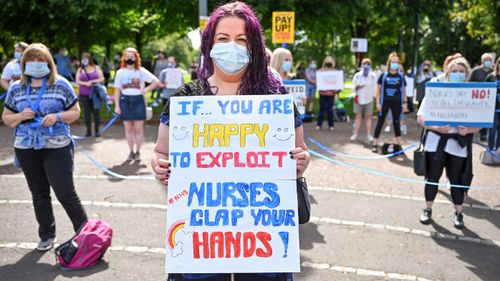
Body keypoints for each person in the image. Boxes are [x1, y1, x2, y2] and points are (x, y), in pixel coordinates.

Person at [150, 2, 310, 280]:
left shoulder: (275, 101)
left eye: (242, 40)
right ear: (209, 44)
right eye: (223, 39)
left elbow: (301, 152)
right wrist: (160, 166)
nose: (232, 46)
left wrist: (301, 161)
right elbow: (160, 151)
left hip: (263, 245)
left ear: (254, 47)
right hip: (201, 245)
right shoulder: (186, 98)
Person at [1, 43, 88, 251]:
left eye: (41, 60)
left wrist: (57, 116)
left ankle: (86, 235)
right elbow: (7, 118)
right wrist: (20, 116)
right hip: (26, 147)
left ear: (49, 62)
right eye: (32, 60)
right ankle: (47, 235)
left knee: (65, 192)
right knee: (39, 193)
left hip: (57, 145)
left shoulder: (61, 84)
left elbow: (75, 112)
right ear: (24, 64)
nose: (36, 64)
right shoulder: (16, 88)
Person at [417, 57, 479, 229]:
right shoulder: (436, 91)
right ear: (447, 73)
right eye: (454, 71)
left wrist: (468, 130)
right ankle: (427, 209)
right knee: (432, 178)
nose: (458, 74)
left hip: (457, 145)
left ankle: (459, 213)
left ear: (466, 74)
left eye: (461, 71)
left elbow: (480, 124)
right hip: (435, 143)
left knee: (456, 180)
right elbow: (421, 117)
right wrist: (436, 127)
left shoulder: (472, 94)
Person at [114, 47, 159, 161]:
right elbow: (117, 90)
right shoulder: (120, 72)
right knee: (128, 129)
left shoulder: (141, 71)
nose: (130, 59)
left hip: (138, 101)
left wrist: (145, 90)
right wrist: (117, 105)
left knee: (138, 129)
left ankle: (138, 151)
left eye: (132, 56)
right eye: (127, 56)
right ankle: (131, 151)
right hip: (124, 101)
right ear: (124, 58)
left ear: (136, 58)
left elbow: (155, 81)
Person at [372, 52, 407, 152]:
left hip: (396, 102)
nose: (394, 63)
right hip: (385, 102)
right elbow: (378, 90)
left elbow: (404, 91)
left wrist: (405, 103)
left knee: (396, 122)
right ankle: (375, 143)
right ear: (389, 63)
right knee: (380, 121)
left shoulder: (401, 77)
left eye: (396, 62)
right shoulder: (383, 76)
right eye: (393, 61)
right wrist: (378, 103)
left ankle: (399, 145)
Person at [75, 52, 105, 137]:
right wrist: (85, 83)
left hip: (95, 94)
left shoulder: (96, 68)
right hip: (84, 94)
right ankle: (88, 131)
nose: (84, 60)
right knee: (86, 113)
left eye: (86, 58)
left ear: (90, 59)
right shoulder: (80, 69)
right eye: (83, 59)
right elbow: (77, 80)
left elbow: (102, 78)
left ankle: (97, 131)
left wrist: (92, 81)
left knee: (96, 112)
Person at [470, 53, 494, 142]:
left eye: (490, 60)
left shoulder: (494, 72)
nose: (488, 62)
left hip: (489, 100)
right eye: (486, 60)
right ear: (482, 61)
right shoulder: (475, 71)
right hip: (476, 99)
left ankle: (484, 134)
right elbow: (470, 83)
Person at [351, 58, 377, 142]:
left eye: (368, 64)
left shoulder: (373, 76)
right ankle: (355, 134)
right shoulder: (358, 75)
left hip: (369, 99)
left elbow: (375, 88)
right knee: (358, 117)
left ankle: (369, 135)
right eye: (364, 64)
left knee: (368, 117)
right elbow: (353, 87)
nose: (366, 66)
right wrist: (358, 86)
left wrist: (373, 96)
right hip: (358, 99)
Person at [316, 56, 339, 131]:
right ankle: (319, 124)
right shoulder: (320, 71)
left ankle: (331, 125)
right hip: (322, 93)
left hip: (331, 94)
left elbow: (338, 83)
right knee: (321, 109)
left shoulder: (335, 72)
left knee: (330, 109)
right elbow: (318, 82)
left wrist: (336, 90)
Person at [486, 56, 500, 150]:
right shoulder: (491, 76)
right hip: (493, 108)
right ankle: (490, 150)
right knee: (492, 130)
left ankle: (498, 150)